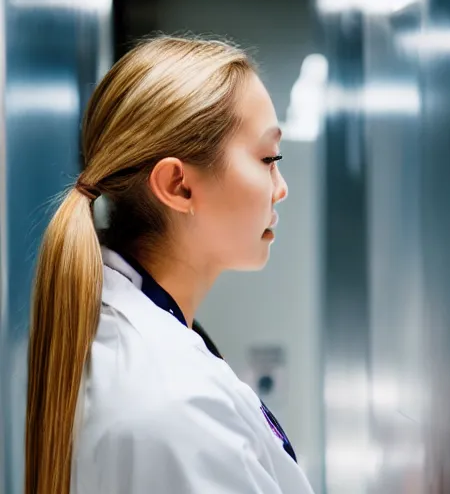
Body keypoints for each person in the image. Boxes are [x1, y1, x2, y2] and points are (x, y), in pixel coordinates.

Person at [24, 36, 315, 494]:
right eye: (268, 159)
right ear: (178, 186)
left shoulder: (131, 337)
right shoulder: (177, 407)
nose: (280, 189)